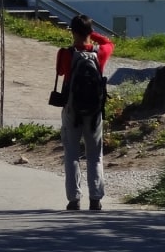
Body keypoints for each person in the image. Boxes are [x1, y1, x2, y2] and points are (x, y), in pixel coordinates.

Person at [56, 14, 114, 211]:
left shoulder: (66, 53)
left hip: (72, 109)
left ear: (72, 31)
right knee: (95, 155)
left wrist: (79, 38)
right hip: (94, 111)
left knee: (71, 154)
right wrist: (92, 34)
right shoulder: (101, 52)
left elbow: (62, 73)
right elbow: (108, 42)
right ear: (90, 32)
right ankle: (96, 199)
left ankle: (74, 200)